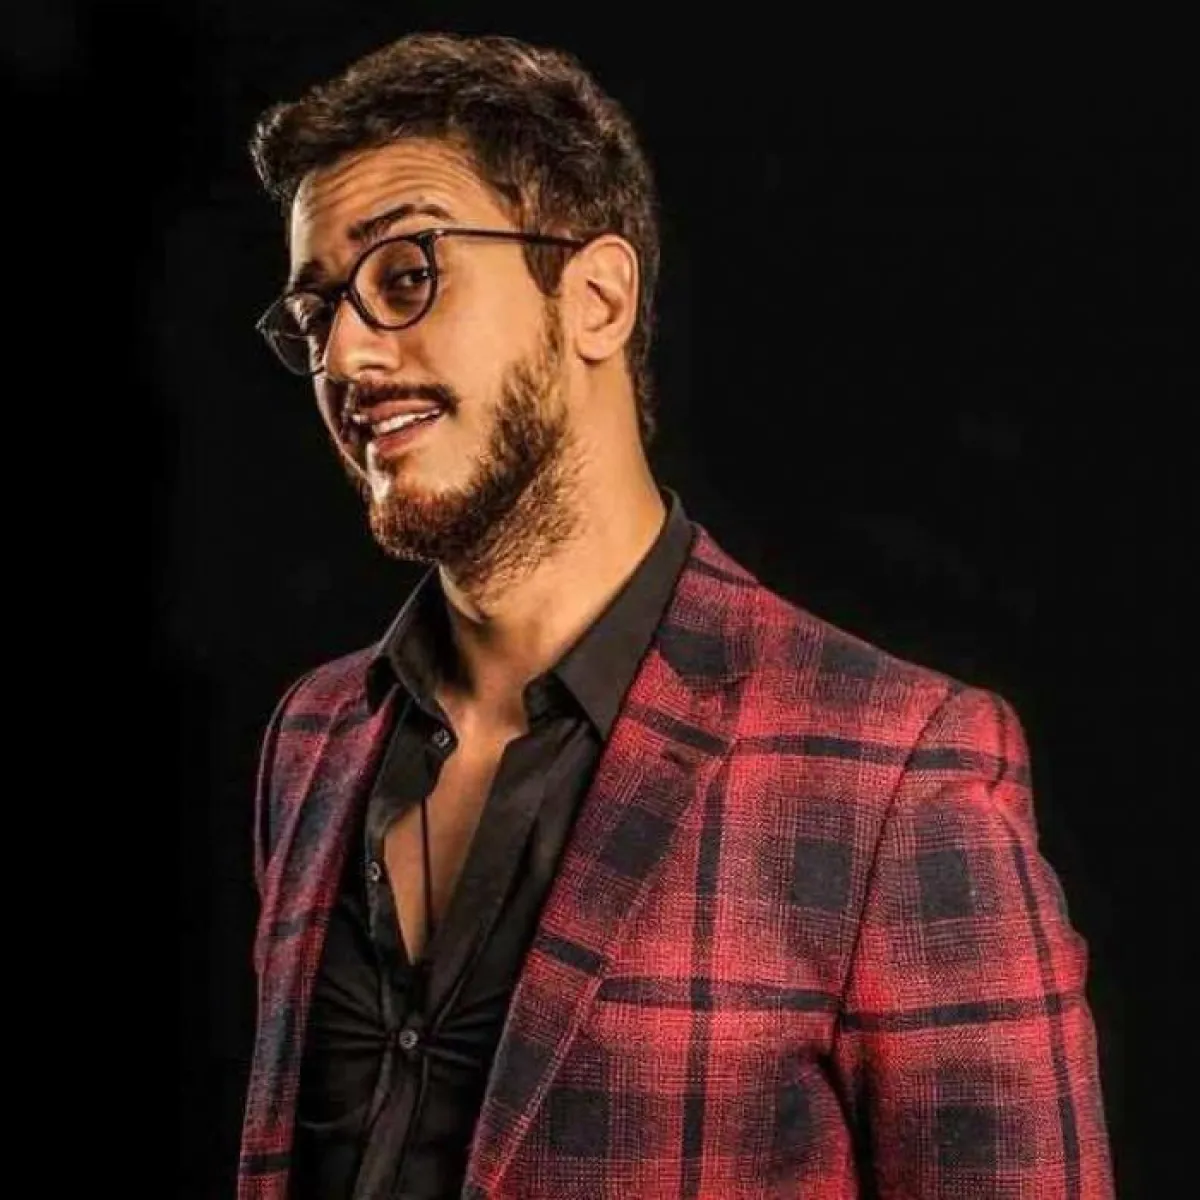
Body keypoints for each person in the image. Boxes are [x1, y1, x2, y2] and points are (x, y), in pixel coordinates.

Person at [238, 31, 1114, 1200]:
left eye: (406, 277)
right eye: (317, 315)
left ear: (596, 299)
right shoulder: (315, 739)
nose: (345, 355)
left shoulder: (895, 774)